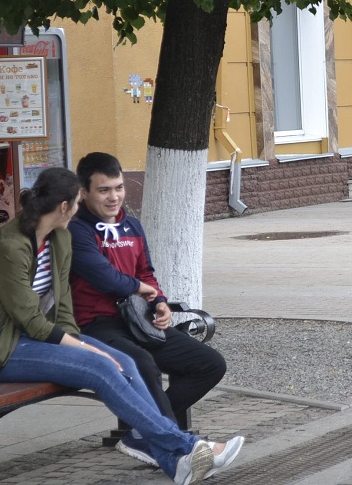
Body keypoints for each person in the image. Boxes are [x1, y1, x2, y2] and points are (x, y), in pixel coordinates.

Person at [0, 168, 243, 485]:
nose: (80, 211)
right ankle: (188, 447)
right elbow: (30, 319)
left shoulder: (57, 237)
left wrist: (83, 342)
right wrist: (86, 348)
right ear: (63, 207)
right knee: (100, 367)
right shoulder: (11, 247)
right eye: (77, 204)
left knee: (124, 362)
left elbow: (62, 304)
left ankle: (175, 463)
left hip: (32, 339)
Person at [69, 152, 231, 466]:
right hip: (96, 325)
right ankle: (177, 446)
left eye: (118, 187)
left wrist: (158, 302)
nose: (114, 196)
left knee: (209, 364)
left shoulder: (131, 226)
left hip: (139, 321)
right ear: (83, 192)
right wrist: (141, 289)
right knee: (143, 363)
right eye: (104, 190)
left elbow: (145, 272)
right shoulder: (77, 231)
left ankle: (145, 433)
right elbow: (103, 275)